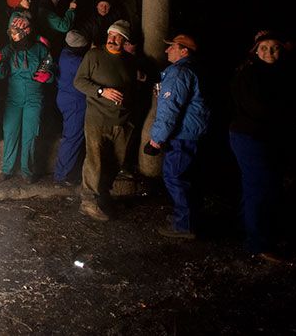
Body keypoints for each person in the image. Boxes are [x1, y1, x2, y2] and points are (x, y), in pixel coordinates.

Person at [229, 31, 296, 262]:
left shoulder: (277, 73)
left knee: (255, 186)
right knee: (260, 188)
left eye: (275, 48)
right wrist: (290, 118)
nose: (269, 52)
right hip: (250, 137)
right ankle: (258, 244)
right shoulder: (248, 73)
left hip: (263, 136)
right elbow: (259, 108)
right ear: (255, 50)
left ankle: (246, 230)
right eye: (264, 48)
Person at [145, 34, 210, 239]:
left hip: (182, 135)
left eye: (172, 47)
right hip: (194, 133)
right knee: (189, 177)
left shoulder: (179, 72)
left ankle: (184, 225)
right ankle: (189, 219)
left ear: (184, 51)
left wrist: (156, 140)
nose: (167, 50)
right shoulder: (194, 69)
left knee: (175, 177)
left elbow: (169, 110)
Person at [73, 20, 137, 221]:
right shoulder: (94, 56)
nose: (113, 39)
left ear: (125, 40)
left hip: (122, 121)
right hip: (97, 119)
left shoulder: (128, 60)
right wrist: (101, 91)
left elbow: (132, 86)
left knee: (114, 161)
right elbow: (79, 82)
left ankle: (103, 195)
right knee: (95, 160)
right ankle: (88, 202)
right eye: (111, 35)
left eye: (118, 37)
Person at [0, 15, 53, 184]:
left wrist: (48, 76)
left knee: (30, 134)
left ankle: (27, 171)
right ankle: (7, 169)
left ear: (26, 31)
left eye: (17, 33)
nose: (13, 37)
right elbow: (1, 75)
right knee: (10, 131)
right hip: (14, 99)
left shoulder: (41, 49)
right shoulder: (8, 49)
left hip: (34, 98)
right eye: (11, 33)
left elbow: (50, 70)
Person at [53, 29, 90, 186]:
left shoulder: (64, 53)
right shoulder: (75, 61)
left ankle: (66, 172)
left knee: (72, 136)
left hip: (66, 98)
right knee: (72, 138)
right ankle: (61, 175)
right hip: (75, 102)